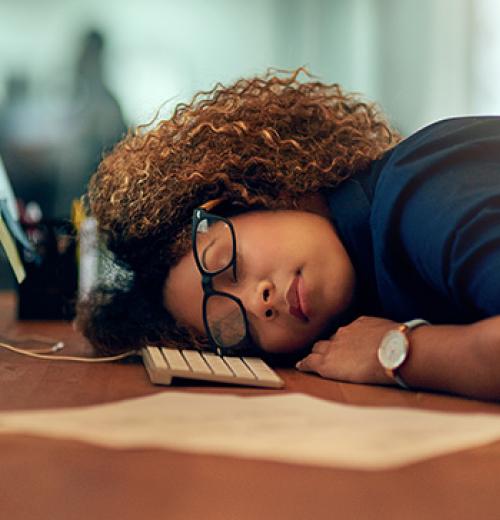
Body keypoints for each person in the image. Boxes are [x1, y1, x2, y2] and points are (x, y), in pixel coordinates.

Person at [76, 68, 500, 401]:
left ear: (257, 192)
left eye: (230, 262)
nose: (257, 304)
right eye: (231, 325)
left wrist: (396, 353)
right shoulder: (368, 279)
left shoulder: (420, 190)